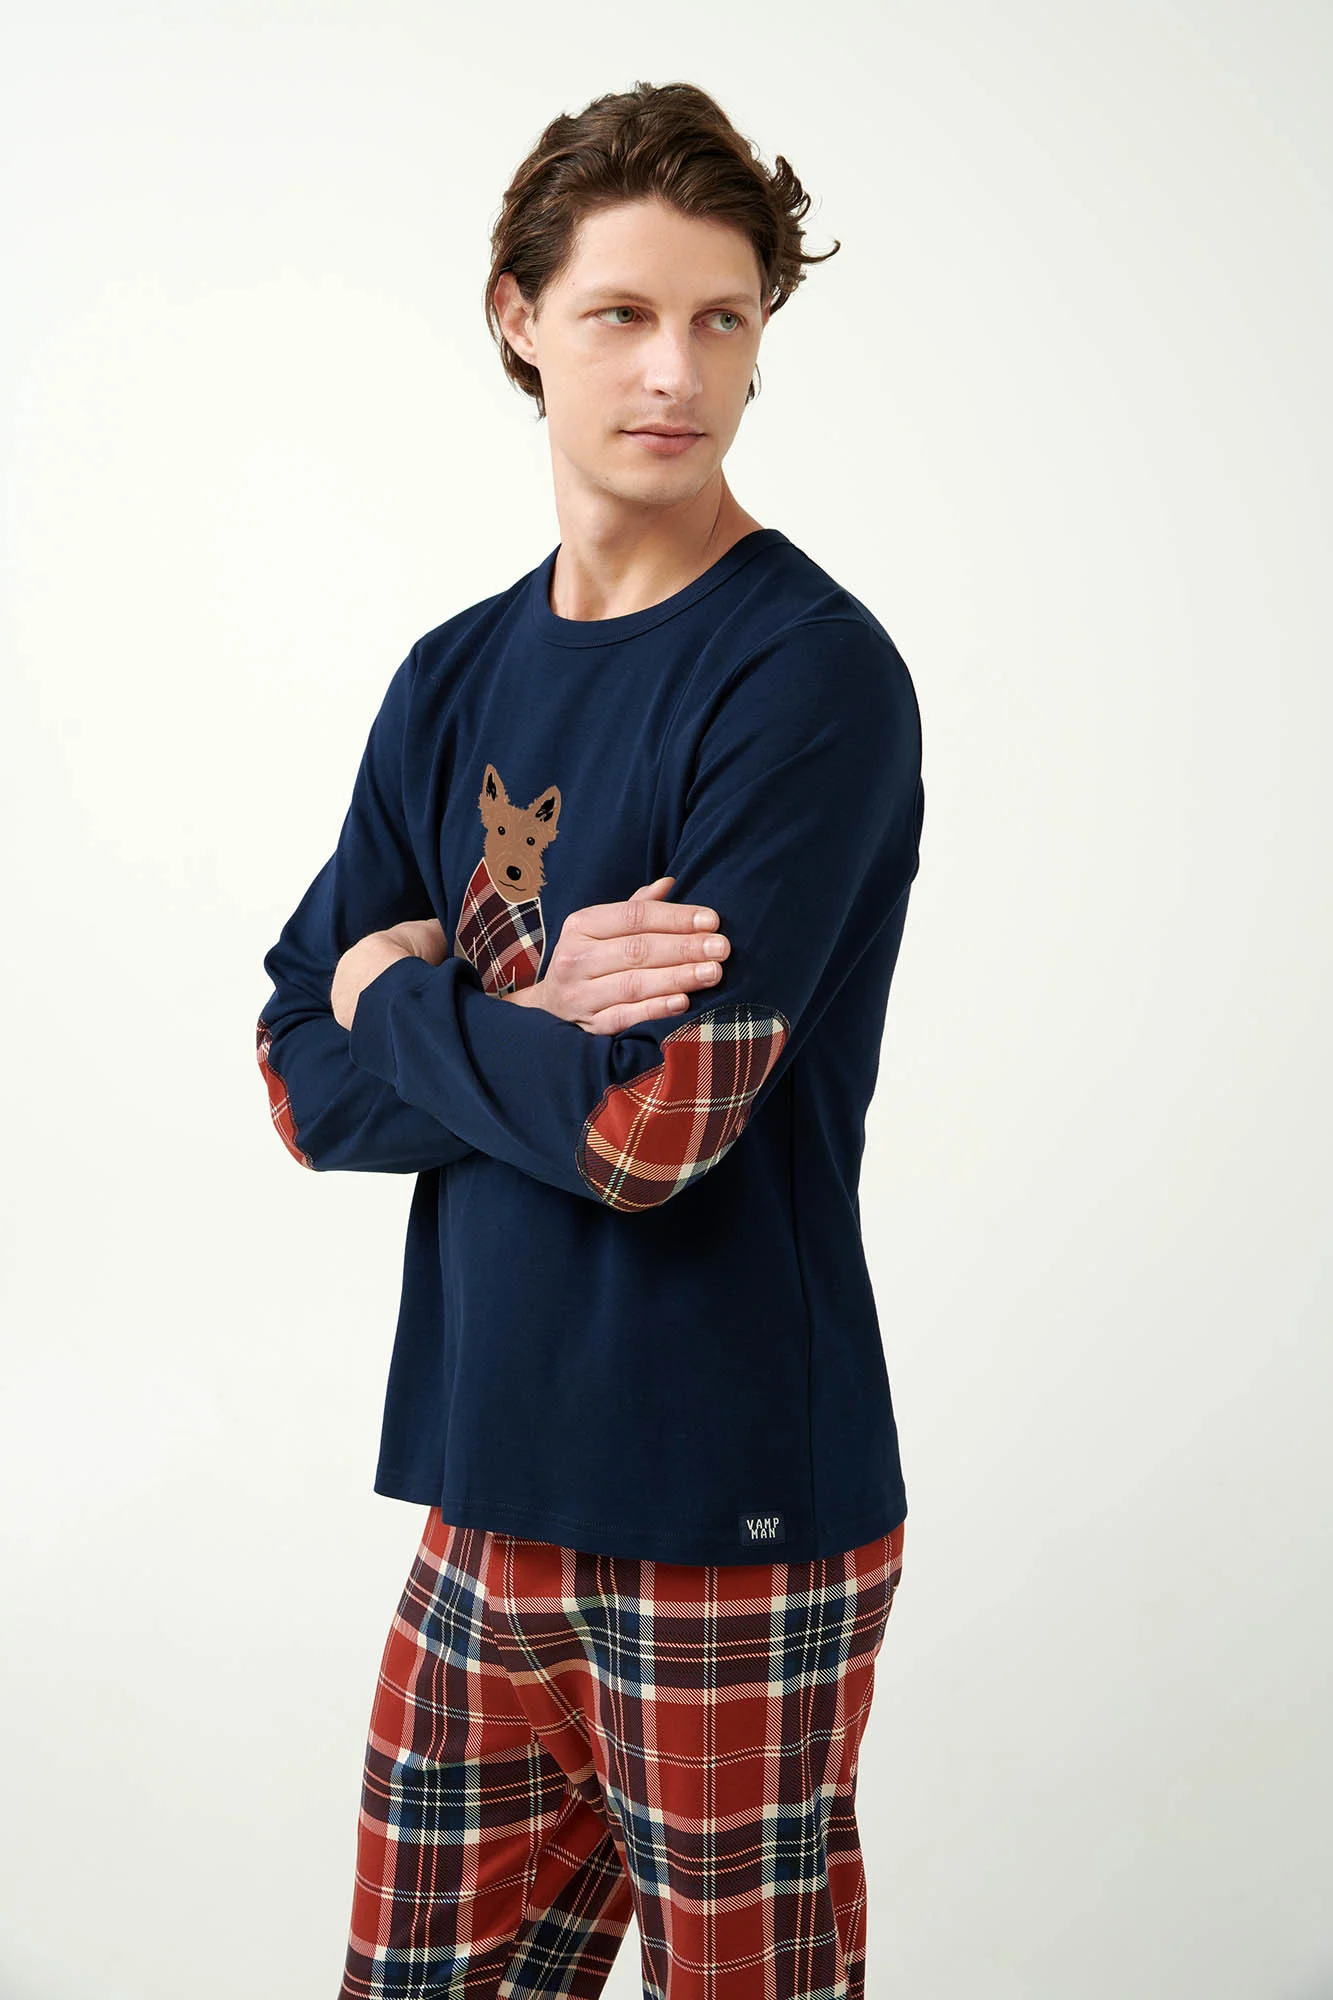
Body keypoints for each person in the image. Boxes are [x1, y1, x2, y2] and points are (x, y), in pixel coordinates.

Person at [255, 78, 925, 2000]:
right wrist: (516, 1016)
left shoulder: (809, 679)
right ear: (519, 318)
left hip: (731, 1512)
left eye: (723, 319)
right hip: (487, 1493)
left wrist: (404, 996)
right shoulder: (452, 677)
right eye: (623, 312)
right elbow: (299, 1084)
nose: (675, 371)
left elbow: (651, 1133)